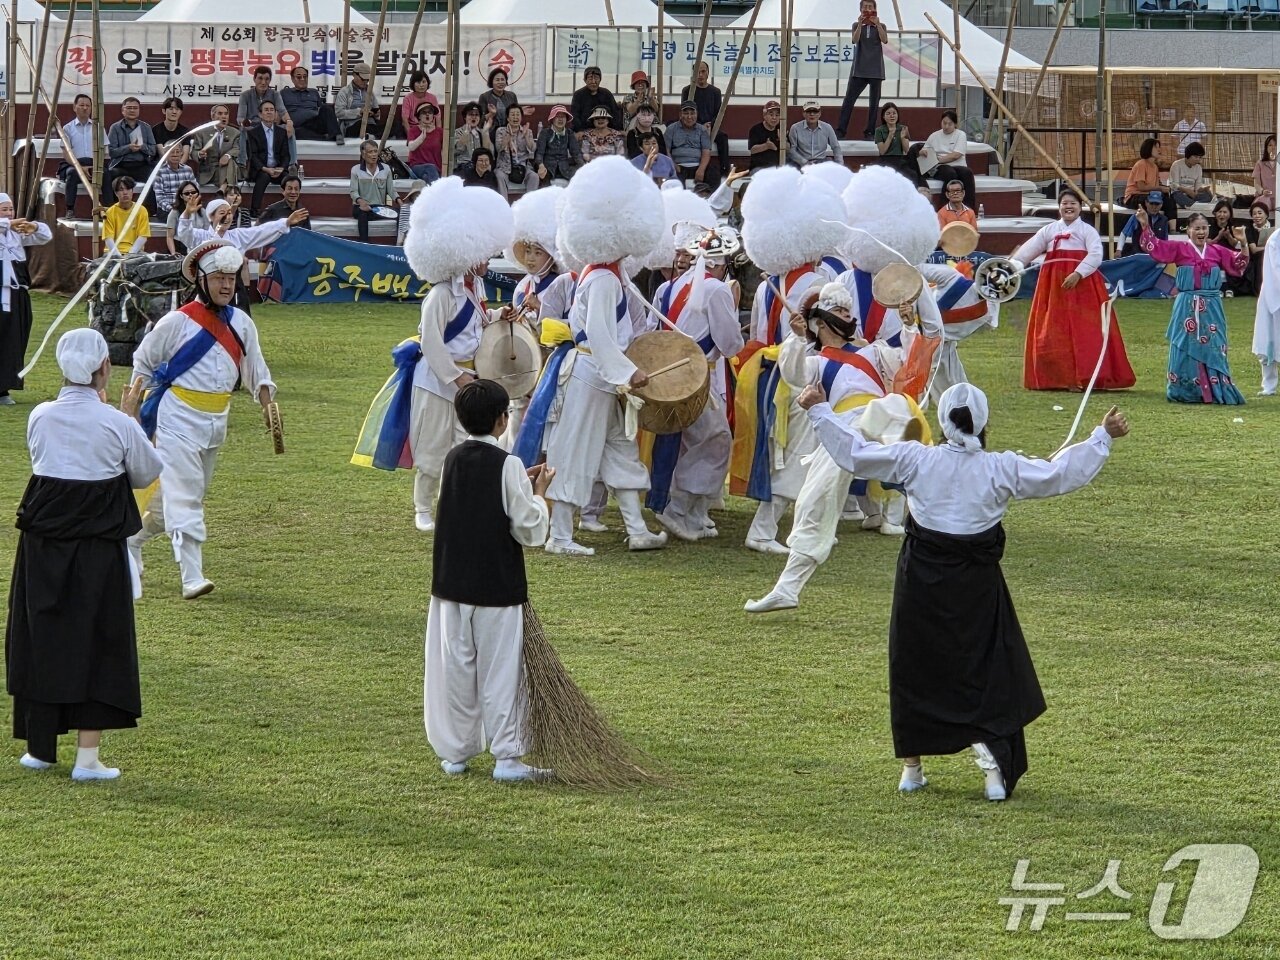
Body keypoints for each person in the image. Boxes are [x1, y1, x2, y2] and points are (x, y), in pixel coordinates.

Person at [800, 380, 1129, 800]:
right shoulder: (1000, 467)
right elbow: (1058, 474)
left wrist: (819, 410)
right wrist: (1101, 437)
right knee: (982, 670)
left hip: (922, 579)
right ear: (984, 422)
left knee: (915, 664)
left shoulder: (915, 459)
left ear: (942, 421)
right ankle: (991, 771)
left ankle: (912, 768)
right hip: (974, 584)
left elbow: (856, 455)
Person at [6, 328, 162, 780]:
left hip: (41, 547)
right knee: (97, 637)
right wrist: (130, 417)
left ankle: (39, 748)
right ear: (104, 369)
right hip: (96, 547)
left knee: (42, 632)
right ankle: (87, 759)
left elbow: (46, 464)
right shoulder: (116, 423)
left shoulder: (39, 415)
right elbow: (144, 473)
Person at [528, 155, 668, 555]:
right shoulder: (604, 279)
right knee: (574, 450)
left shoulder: (605, 273)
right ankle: (559, 536)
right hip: (593, 372)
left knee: (619, 447)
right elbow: (603, 336)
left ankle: (636, 529)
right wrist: (628, 373)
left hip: (598, 374)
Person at [745, 283, 914, 613]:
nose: (847, 316)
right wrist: (794, 337)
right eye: (839, 311)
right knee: (813, 503)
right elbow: (793, 375)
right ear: (819, 322)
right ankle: (787, 589)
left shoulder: (874, 352)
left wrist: (909, 325)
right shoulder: (815, 364)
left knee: (919, 472)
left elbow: (909, 362)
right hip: (842, 434)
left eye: (849, 311)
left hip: (881, 420)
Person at [128, 240, 276, 599]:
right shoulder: (178, 321)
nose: (226, 285)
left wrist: (268, 404)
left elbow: (255, 369)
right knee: (186, 497)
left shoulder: (241, 323)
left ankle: (130, 539)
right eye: (219, 278)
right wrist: (131, 405)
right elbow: (144, 361)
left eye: (231, 278)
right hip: (176, 417)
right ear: (202, 280)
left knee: (174, 502)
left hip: (216, 421)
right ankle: (191, 576)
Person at [424, 379, 554, 782]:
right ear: (502, 420)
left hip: (451, 581)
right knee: (501, 670)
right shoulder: (508, 465)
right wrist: (540, 495)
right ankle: (508, 757)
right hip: (496, 585)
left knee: (454, 668)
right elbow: (529, 528)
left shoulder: (453, 458)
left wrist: (521, 487)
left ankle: (456, 751)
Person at [400, 176, 513, 532]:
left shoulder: (475, 287)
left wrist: (498, 314)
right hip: (437, 379)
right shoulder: (440, 295)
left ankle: (457, 503)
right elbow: (431, 342)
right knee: (433, 446)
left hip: (468, 377)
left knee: (463, 444)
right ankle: (422, 508)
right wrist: (456, 376)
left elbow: (475, 325)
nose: (489, 258)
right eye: (483, 251)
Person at [648, 227, 745, 541]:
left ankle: (693, 511)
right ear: (721, 263)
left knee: (690, 441)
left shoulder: (667, 287)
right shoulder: (717, 289)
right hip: (698, 374)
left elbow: (651, 333)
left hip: (666, 374)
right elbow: (730, 343)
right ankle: (678, 506)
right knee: (715, 440)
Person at [1011, 189, 1136, 391]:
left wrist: (1078, 273)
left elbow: (1096, 254)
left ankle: (1085, 375)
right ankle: (1058, 377)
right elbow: (1028, 250)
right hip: (1054, 286)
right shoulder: (1049, 230)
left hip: (1083, 285)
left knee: (1086, 327)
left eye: (1073, 203)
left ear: (1080, 207)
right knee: (1054, 326)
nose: (1068, 207)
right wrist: (1013, 266)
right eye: (1064, 203)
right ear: (1059, 207)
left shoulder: (1087, 231)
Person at [1136, 208, 1247, 404]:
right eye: (1197, 228)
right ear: (1188, 230)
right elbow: (1155, 247)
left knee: (1214, 345)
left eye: (1204, 228)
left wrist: (1243, 242)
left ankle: (1215, 388)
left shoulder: (1216, 251)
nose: (1201, 232)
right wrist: (1145, 224)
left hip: (1212, 306)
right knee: (1184, 346)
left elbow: (1238, 264)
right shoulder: (1180, 249)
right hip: (1186, 306)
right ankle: (1186, 389)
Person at [0, 195, 52, 407]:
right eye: (4, 209)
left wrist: (34, 226)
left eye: (11, 209)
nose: (9, 213)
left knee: (15, 339)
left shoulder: (16, 234)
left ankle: (4, 388)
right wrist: (8, 222)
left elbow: (45, 236)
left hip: (17, 295)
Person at [836, 0, 887, 140]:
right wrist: (860, 24)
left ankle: (869, 131)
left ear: (875, 9)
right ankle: (841, 130)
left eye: (870, 7)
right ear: (860, 10)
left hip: (876, 70)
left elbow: (885, 40)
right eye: (865, 7)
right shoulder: (855, 25)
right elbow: (855, 40)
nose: (868, 9)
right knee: (848, 100)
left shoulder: (881, 26)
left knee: (874, 103)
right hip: (859, 69)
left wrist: (877, 24)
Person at [236, 65, 296, 172]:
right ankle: (242, 165)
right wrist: (246, 123)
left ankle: (292, 165)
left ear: (270, 80)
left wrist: (289, 122)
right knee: (242, 131)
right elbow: (240, 118)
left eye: (267, 79)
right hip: (253, 128)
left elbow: (282, 111)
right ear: (254, 79)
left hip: (271, 127)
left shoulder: (275, 94)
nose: (263, 82)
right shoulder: (245, 95)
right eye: (260, 78)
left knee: (290, 128)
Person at [680, 61, 730, 180]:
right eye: (697, 72)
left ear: (708, 73)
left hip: (711, 127)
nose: (700, 75)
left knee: (723, 137)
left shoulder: (715, 91)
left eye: (703, 72)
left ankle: (725, 172)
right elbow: (684, 112)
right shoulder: (687, 90)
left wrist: (710, 125)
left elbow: (719, 113)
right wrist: (696, 125)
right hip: (692, 127)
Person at [103, 97, 156, 208]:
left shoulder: (146, 127)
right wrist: (128, 148)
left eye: (135, 108)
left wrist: (142, 147)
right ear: (123, 110)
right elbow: (112, 152)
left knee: (155, 176)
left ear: (139, 110)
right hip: (121, 166)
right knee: (108, 175)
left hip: (141, 165)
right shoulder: (115, 128)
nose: (132, 110)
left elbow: (153, 150)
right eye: (129, 108)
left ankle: (146, 210)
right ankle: (111, 208)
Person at [920, 110, 976, 209]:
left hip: (957, 164)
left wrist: (937, 160)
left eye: (949, 124)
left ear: (955, 124)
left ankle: (969, 209)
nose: (946, 126)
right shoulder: (934, 135)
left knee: (967, 173)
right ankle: (944, 208)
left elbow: (956, 155)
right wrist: (923, 152)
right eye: (944, 123)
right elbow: (925, 150)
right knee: (950, 173)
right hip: (940, 167)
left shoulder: (960, 134)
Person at [57, 94, 101, 217]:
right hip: (75, 164)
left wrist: (95, 166)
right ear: (74, 107)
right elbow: (66, 154)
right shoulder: (67, 128)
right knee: (71, 174)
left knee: (108, 175)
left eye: (88, 105)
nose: (85, 108)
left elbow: (105, 150)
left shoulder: (97, 127)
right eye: (81, 105)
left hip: (94, 164)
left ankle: (107, 208)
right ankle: (70, 209)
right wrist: (80, 168)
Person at [246, 100, 290, 218]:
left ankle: (290, 208)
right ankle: (255, 210)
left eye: (272, 110)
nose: (269, 113)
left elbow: (286, 155)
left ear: (276, 113)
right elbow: (253, 155)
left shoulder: (282, 132)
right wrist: (265, 169)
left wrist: (281, 168)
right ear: (260, 114)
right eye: (266, 110)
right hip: (261, 170)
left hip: (278, 169)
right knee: (264, 177)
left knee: (288, 178)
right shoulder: (253, 132)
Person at [349, 139, 397, 243]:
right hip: (361, 207)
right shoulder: (355, 170)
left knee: (401, 213)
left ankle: (399, 243)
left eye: (375, 151)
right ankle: (364, 244)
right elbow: (353, 192)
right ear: (363, 154)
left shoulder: (386, 169)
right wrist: (361, 202)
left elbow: (391, 190)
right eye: (370, 152)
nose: (374, 154)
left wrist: (399, 200)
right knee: (362, 213)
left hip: (379, 208)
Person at [1253, 227, 1280, 395]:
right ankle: (1269, 384)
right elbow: (1275, 269)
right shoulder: (1276, 239)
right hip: (1273, 292)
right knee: (1268, 339)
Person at [1123, 137, 1176, 222]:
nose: (1159, 149)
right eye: (1156, 147)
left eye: (1159, 147)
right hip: (1134, 196)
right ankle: (1148, 228)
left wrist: (1165, 188)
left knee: (1169, 201)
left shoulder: (1155, 167)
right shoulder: (1141, 164)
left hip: (1150, 194)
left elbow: (1157, 185)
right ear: (1148, 148)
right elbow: (1141, 187)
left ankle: (1172, 229)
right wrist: (1159, 188)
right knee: (1151, 202)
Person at [282, 65, 340, 142]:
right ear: (292, 79)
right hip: (298, 126)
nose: (302, 79)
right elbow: (280, 110)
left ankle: (337, 135)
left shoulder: (314, 92)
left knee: (326, 108)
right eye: (299, 77)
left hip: (315, 123)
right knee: (297, 133)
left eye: (305, 77)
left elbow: (321, 108)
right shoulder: (284, 93)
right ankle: (325, 138)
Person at [494, 104, 539, 199]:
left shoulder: (528, 131)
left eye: (518, 114)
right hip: (504, 167)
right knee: (499, 175)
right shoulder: (501, 131)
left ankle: (529, 206)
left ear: (521, 117)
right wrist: (508, 136)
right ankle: (504, 206)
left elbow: (533, 149)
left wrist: (526, 136)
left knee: (534, 176)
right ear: (507, 118)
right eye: (513, 114)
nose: (515, 117)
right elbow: (499, 148)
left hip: (523, 166)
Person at [872, 103, 923, 187]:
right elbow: (882, 151)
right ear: (883, 117)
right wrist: (890, 136)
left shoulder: (904, 128)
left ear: (897, 115)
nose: (892, 116)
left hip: (900, 160)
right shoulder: (879, 130)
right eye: (888, 113)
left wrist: (902, 138)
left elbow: (906, 150)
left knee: (912, 175)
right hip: (886, 160)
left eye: (894, 113)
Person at [192, 104, 240, 192]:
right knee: (230, 165)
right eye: (220, 114)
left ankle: (223, 188)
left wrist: (227, 155)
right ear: (213, 116)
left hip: (229, 169)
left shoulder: (235, 133)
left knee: (230, 161)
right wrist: (200, 154)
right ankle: (228, 189)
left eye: (226, 114)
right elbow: (194, 152)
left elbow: (237, 149)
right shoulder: (202, 132)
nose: (223, 116)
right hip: (209, 172)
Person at [101, 177, 150, 255]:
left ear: (132, 191)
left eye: (128, 189)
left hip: (136, 252)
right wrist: (118, 256)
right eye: (121, 190)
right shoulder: (110, 212)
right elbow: (108, 238)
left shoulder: (141, 210)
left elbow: (143, 236)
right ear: (116, 193)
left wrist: (130, 254)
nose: (125, 192)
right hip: (112, 252)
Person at [535, 105, 582, 184]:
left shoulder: (569, 133)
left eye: (563, 117)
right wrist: (541, 165)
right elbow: (539, 153)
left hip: (564, 168)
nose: (560, 119)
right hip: (548, 167)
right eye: (557, 116)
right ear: (552, 119)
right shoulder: (545, 133)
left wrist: (583, 166)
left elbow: (576, 153)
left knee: (578, 178)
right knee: (544, 180)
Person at [334, 64, 381, 141]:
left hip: (370, 123)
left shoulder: (370, 92)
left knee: (394, 126)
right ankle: (372, 136)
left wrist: (375, 113)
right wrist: (360, 112)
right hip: (353, 125)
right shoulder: (344, 92)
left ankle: (371, 136)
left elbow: (376, 111)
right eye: (363, 79)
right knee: (361, 124)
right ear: (354, 75)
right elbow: (339, 113)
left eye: (367, 80)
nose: (365, 82)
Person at [669, 101, 712, 184]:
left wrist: (701, 169)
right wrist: (673, 165)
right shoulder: (671, 129)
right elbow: (666, 150)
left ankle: (706, 196)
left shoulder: (702, 130)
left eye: (692, 113)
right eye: (685, 113)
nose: (689, 117)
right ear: (680, 115)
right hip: (678, 166)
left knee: (713, 174)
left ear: (697, 114)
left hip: (697, 165)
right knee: (674, 180)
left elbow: (706, 151)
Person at [569, 66, 622, 133]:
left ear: (600, 79)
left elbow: (615, 113)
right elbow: (575, 115)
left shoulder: (606, 93)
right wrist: (579, 130)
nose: (593, 82)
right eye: (590, 78)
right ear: (585, 80)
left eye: (596, 78)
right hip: (584, 130)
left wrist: (619, 129)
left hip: (605, 130)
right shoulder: (578, 95)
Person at [790, 101, 843, 167]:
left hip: (821, 161)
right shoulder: (795, 128)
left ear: (820, 113)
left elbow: (836, 147)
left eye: (815, 111)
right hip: (801, 162)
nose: (812, 114)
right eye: (808, 111)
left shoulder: (827, 127)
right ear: (803, 113)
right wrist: (804, 162)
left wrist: (840, 165)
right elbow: (792, 150)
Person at [1118, 191, 1167, 259]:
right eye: (1151, 203)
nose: (1154, 207)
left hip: (1156, 257)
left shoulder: (1163, 219)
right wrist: (1119, 250)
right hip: (1139, 256)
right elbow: (1124, 233)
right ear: (1146, 203)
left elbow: (1165, 240)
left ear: (1161, 204)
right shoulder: (1136, 216)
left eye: (1157, 204)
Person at [452, 102, 493, 177]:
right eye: (471, 114)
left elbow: (488, 152)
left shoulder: (482, 132)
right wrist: (466, 133)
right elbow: (456, 150)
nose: (474, 117)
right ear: (465, 117)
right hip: (463, 166)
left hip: (480, 166)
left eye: (476, 115)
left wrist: (485, 133)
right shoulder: (458, 132)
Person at [406, 101, 443, 183]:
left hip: (436, 169)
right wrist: (421, 137)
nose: (427, 115)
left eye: (430, 112)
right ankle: (439, 193)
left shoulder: (439, 132)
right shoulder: (413, 130)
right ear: (419, 116)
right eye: (424, 113)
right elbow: (411, 147)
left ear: (433, 116)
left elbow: (446, 150)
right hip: (417, 167)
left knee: (427, 177)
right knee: (430, 168)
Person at [1168, 141, 1212, 209]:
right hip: (1180, 193)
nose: (1198, 159)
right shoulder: (1176, 165)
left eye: (1200, 157)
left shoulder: (1198, 168)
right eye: (1195, 156)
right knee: (1176, 195)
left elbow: (1197, 188)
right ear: (1188, 155)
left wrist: (1203, 189)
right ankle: (1195, 205)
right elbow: (1174, 185)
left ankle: (1190, 204)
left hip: (1192, 196)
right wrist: (1186, 190)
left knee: (1208, 196)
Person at [165, 181, 205, 255]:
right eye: (187, 193)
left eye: (193, 192)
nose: (190, 195)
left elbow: (208, 231)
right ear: (181, 196)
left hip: (199, 245)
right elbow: (169, 237)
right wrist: (173, 253)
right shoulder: (174, 212)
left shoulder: (202, 211)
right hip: (181, 247)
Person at [153, 146, 191, 219]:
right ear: (165, 154)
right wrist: (173, 210)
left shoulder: (188, 170)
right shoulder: (159, 172)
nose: (175, 154)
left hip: (185, 207)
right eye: (172, 151)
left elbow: (195, 190)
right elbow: (159, 199)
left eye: (177, 151)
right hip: (166, 210)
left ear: (181, 154)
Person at [1244, 201, 1272, 298]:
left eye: (1260, 213)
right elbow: (1254, 250)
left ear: (1266, 215)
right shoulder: (1249, 229)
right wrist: (1269, 246)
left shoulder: (1274, 227)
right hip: (1256, 259)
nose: (1257, 216)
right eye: (1254, 214)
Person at [747, 100, 786, 171]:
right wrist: (766, 146)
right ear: (764, 116)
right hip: (759, 167)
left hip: (778, 167)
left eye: (777, 115)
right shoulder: (755, 129)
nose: (774, 118)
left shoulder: (781, 129)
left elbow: (789, 149)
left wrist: (783, 142)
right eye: (771, 115)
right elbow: (752, 150)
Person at [151, 96, 190, 165]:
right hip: (161, 166)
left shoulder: (185, 131)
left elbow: (185, 154)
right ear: (164, 111)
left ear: (181, 112)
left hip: (179, 166)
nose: (174, 112)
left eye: (177, 109)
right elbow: (162, 153)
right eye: (171, 109)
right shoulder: (156, 129)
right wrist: (172, 167)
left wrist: (179, 166)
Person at [399, 70, 439, 137]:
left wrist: (438, 135)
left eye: (424, 82)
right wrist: (410, 136)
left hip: (430, 128)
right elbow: (405, 120)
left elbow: (438, 118)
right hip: (414, 129)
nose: (421, 85)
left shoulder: (433, 98)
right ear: (413, 84)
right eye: (418, 82)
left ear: (428, 83)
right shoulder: (407, 98)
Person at [1252, 136, 1276, 213]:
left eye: (1275, 145)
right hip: (1265, 197)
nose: (1273, 147)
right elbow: (1256, 184)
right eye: (1270, 145)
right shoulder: (1260, 164)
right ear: (1266, 148)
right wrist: (1262, 191)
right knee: (1260, 210)